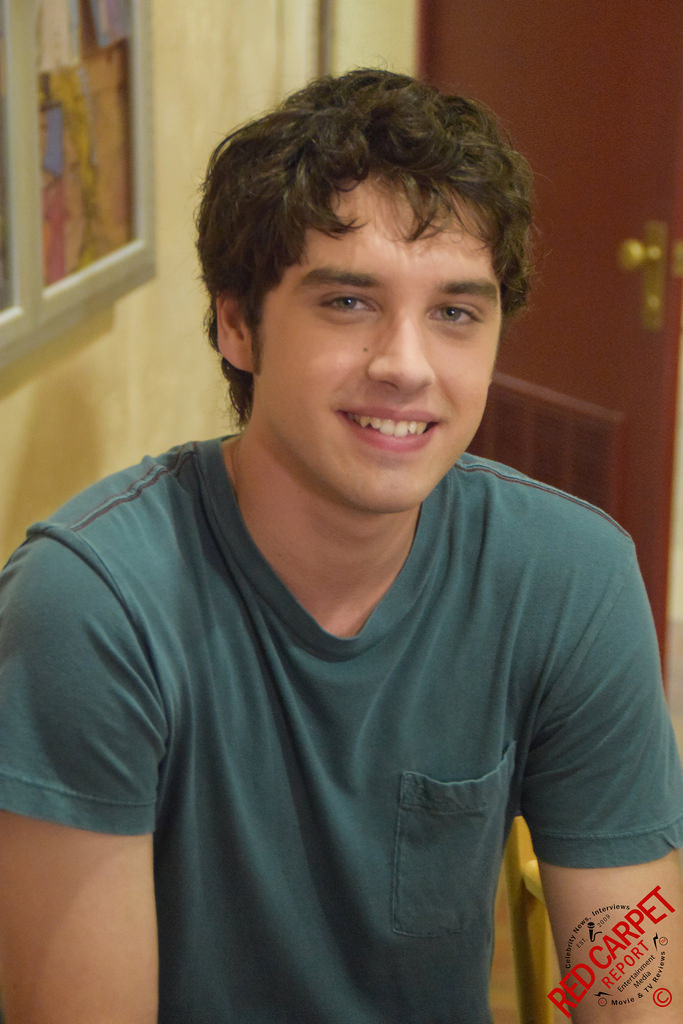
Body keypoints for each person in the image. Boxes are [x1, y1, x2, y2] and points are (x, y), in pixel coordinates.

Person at [0, 68, 681, 1024]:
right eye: (348, 303)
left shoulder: (570, 578)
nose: (406, 365)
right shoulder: (90, 608)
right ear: (236, 325)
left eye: (454, 313)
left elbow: (633, 988)